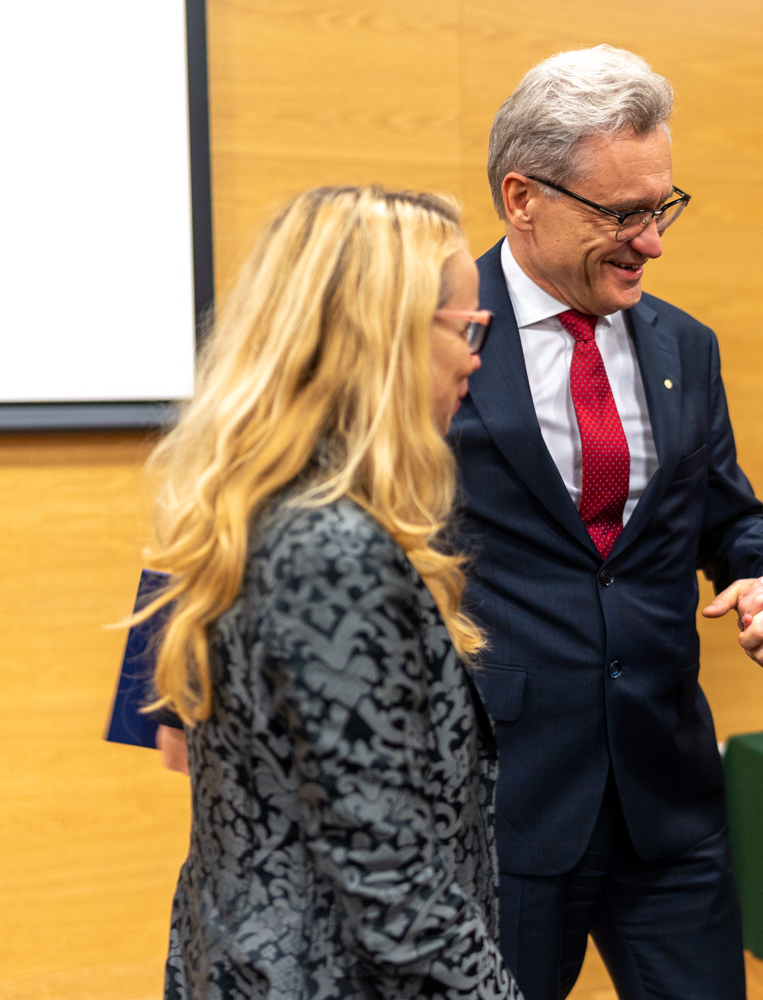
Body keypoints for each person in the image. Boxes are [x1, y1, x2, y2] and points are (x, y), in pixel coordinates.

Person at [447, 46, 763, 1000]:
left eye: (662, 208)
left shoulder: (684, 346)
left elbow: (728, 517)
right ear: (521, 196)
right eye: (620, 214)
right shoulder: (438, 334)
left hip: (669, 799)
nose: (652, 242)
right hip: (505, 800)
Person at [137, 186, 519, 999]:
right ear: (388, 338)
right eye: (468, 329)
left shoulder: (264, 511)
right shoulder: (330, 551)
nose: (476, 360)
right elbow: (397, 890)